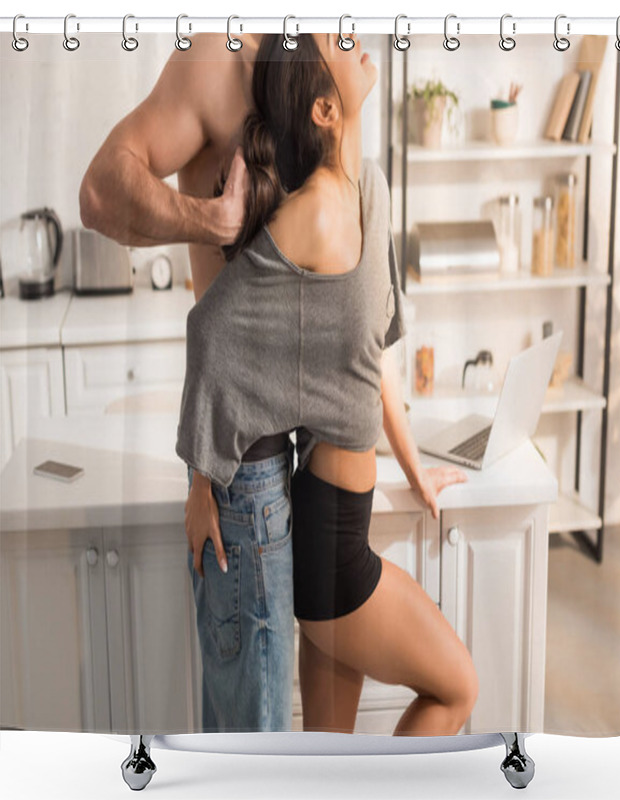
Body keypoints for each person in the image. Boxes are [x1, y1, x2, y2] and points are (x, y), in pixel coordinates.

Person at [176, 31, 479, 736]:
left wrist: (415, 467)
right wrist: (201, 481)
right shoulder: (313, 210)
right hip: (333, 555)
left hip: (335, 524)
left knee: (329, 761)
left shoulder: (366, 185)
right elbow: (212, 333)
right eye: (343, 43)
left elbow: (377, 355)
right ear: (323, 110)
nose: (360, 42)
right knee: (458, 687)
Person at [79, 33, 299, 731]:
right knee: (252, 754)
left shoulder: (328, 57)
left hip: (316, 456)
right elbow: (100, 188)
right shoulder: (213, 62)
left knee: (278, 739)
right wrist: (212, 218)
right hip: (248, 470)